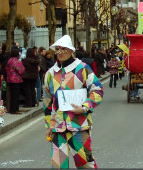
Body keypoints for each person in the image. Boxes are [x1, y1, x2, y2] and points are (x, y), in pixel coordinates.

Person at [43, 35, 103, 169]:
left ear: (71, 50)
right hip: (58, 128)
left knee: (85, 164)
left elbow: (97, 90)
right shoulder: (50, 73)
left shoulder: (83, 69)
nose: (60, 52)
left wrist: (84, 107)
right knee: (59, 166)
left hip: (79, 126)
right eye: (57, 49)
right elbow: (47, 102)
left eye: (63, 49)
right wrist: (48, 125)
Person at [5, 48, 25, 114]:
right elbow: (21, 70)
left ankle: (11, 109)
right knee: (16, 96)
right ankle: (15, 109)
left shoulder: (9, 60)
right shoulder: (17, 61)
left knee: (12, 95)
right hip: (16, 80)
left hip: (9, 79)